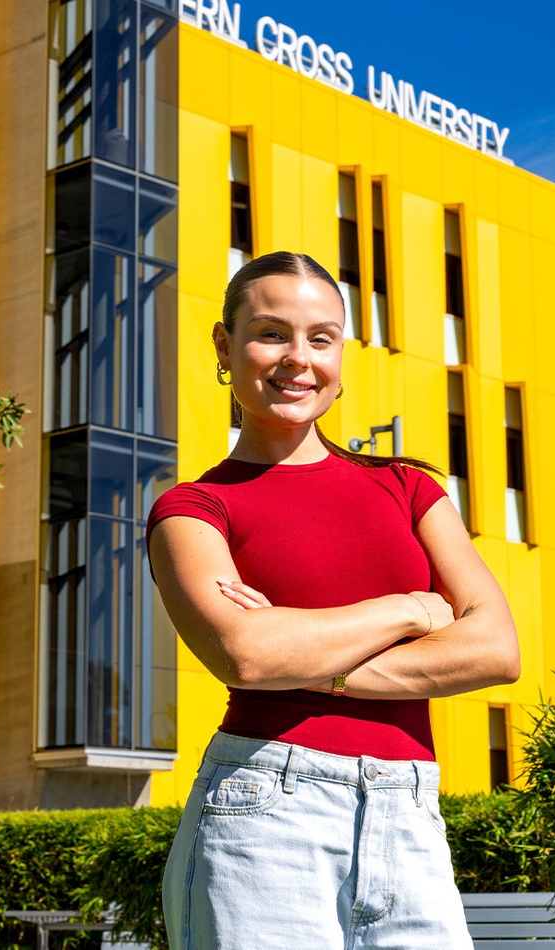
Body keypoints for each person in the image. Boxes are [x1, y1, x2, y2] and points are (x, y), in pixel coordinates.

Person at [146, 251, 520, 950]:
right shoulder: (195, 509)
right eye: (271, 333)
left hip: (410, 810)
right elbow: (247, 655)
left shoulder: (410, 488)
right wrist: (410, 610)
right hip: (263, 809)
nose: (298, 359)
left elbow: (496, 650)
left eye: (321, 338)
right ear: (225, 346)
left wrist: (311, 658)